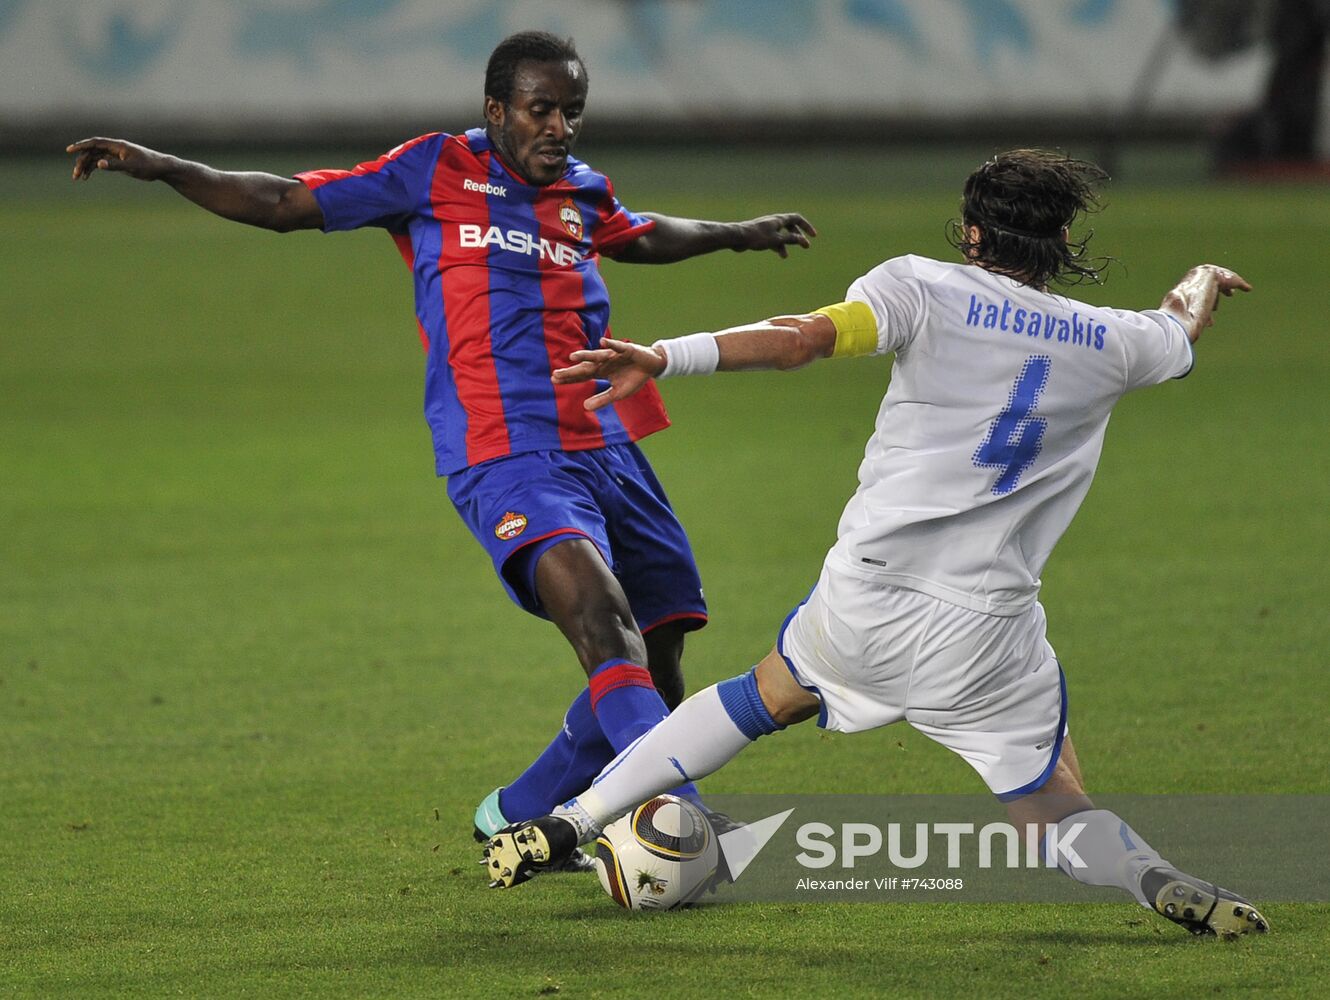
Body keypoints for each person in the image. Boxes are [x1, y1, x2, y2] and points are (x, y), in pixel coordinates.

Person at [66, 30, 817, 868]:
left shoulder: (580, 192)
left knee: (662, 647)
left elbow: (637, 234)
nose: (559, 127)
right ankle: (676, 821)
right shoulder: (433, 171)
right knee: (605, 628)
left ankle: (520, 808)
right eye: (541, 110)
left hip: (606, 438)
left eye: (573, 111)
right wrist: (166, 166)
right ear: (496, 111)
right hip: (502, 448)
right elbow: (282, 202)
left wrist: (737, 232)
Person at [482, 149, 1269, 937]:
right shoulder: (1115, 342)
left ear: (970, 233)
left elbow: (802, 338)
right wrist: (1203, 273)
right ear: (1062, 238)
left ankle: (572, 820)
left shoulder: (919, 287)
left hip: (865, 594)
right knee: (1053, 802)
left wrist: (664, 356)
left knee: (761, 696)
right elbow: (1180, 324)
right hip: (986, 626)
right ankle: (1151, 876)